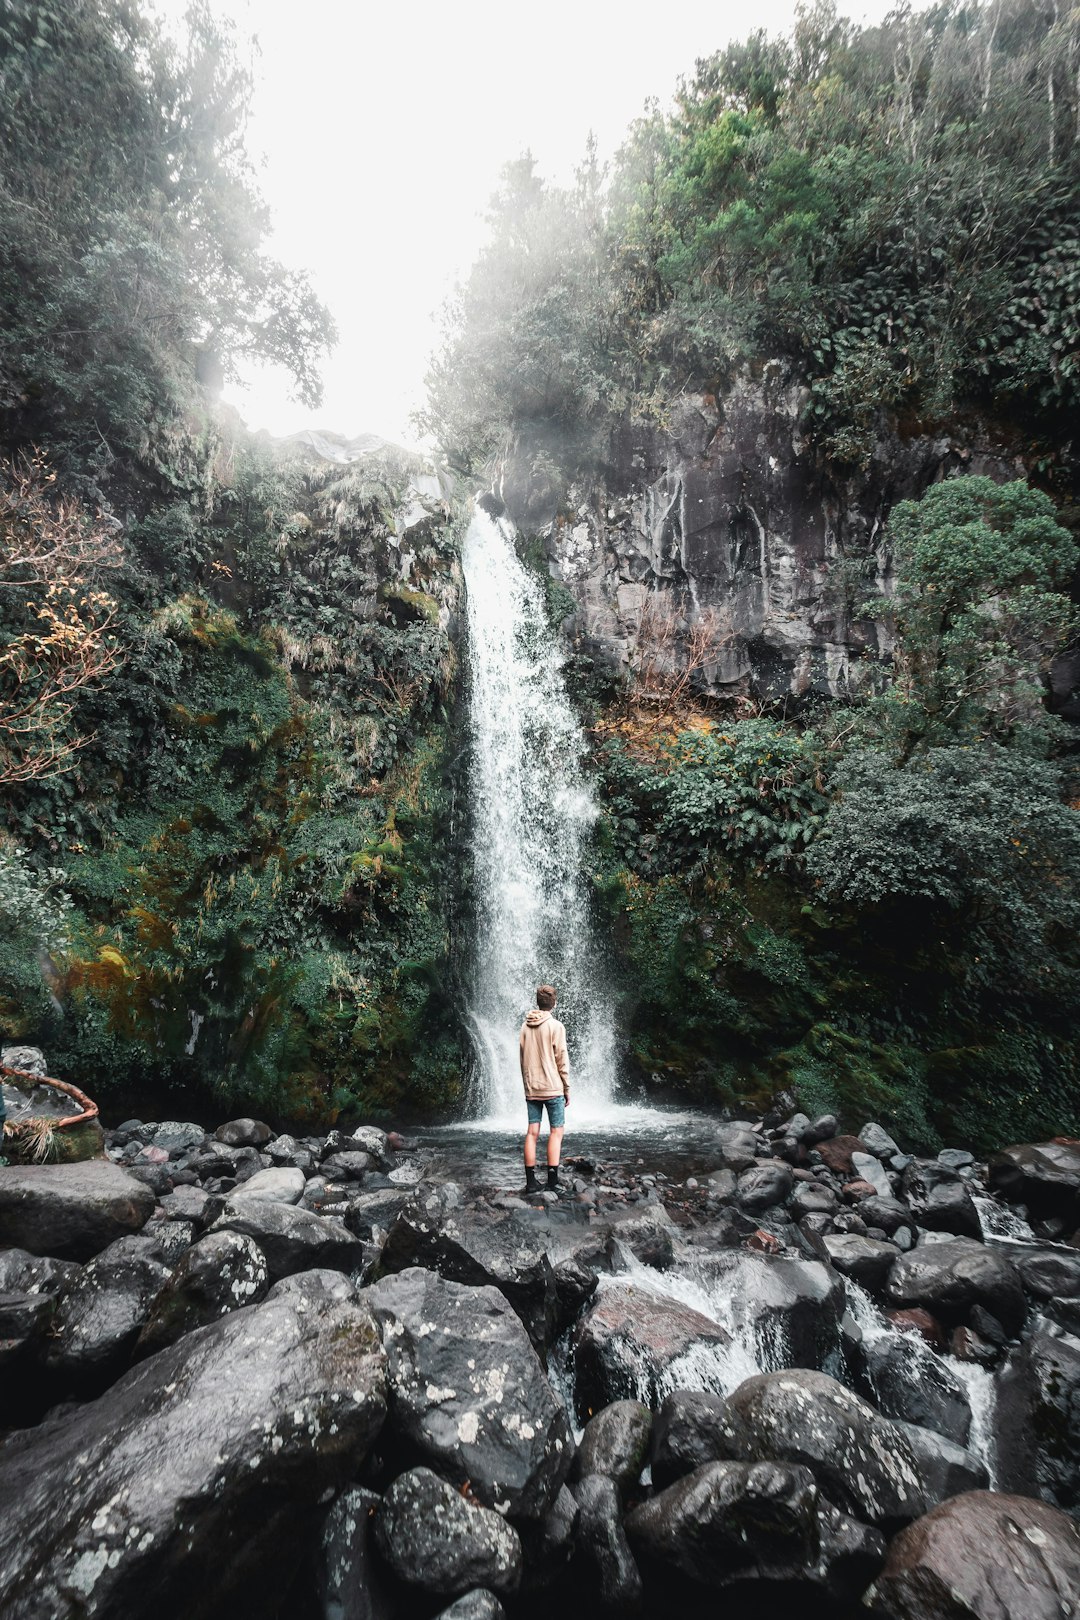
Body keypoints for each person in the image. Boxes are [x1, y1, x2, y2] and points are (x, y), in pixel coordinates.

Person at [519, 983, 569, 1194]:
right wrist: (567, 1087)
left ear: (538, 1003)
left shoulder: (524, 1026)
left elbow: (522, 1059)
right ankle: (552, 1181)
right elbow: (562, 1060)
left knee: (532, 1132)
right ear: (554, 1003)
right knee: (556, 1132)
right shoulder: (556, 1026)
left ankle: (531, 1183)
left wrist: (527, 1085)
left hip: (532, 1088)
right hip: (553, 1088)